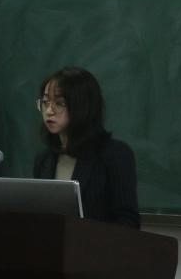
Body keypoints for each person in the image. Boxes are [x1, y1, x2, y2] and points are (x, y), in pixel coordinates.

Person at [33, 67, 139, 227]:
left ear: (82, 106)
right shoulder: (43, 160)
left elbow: (128, 221)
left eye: (59, 103)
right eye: (45, 102)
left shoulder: (114, 155)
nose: (49, 111)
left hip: (97, 242)